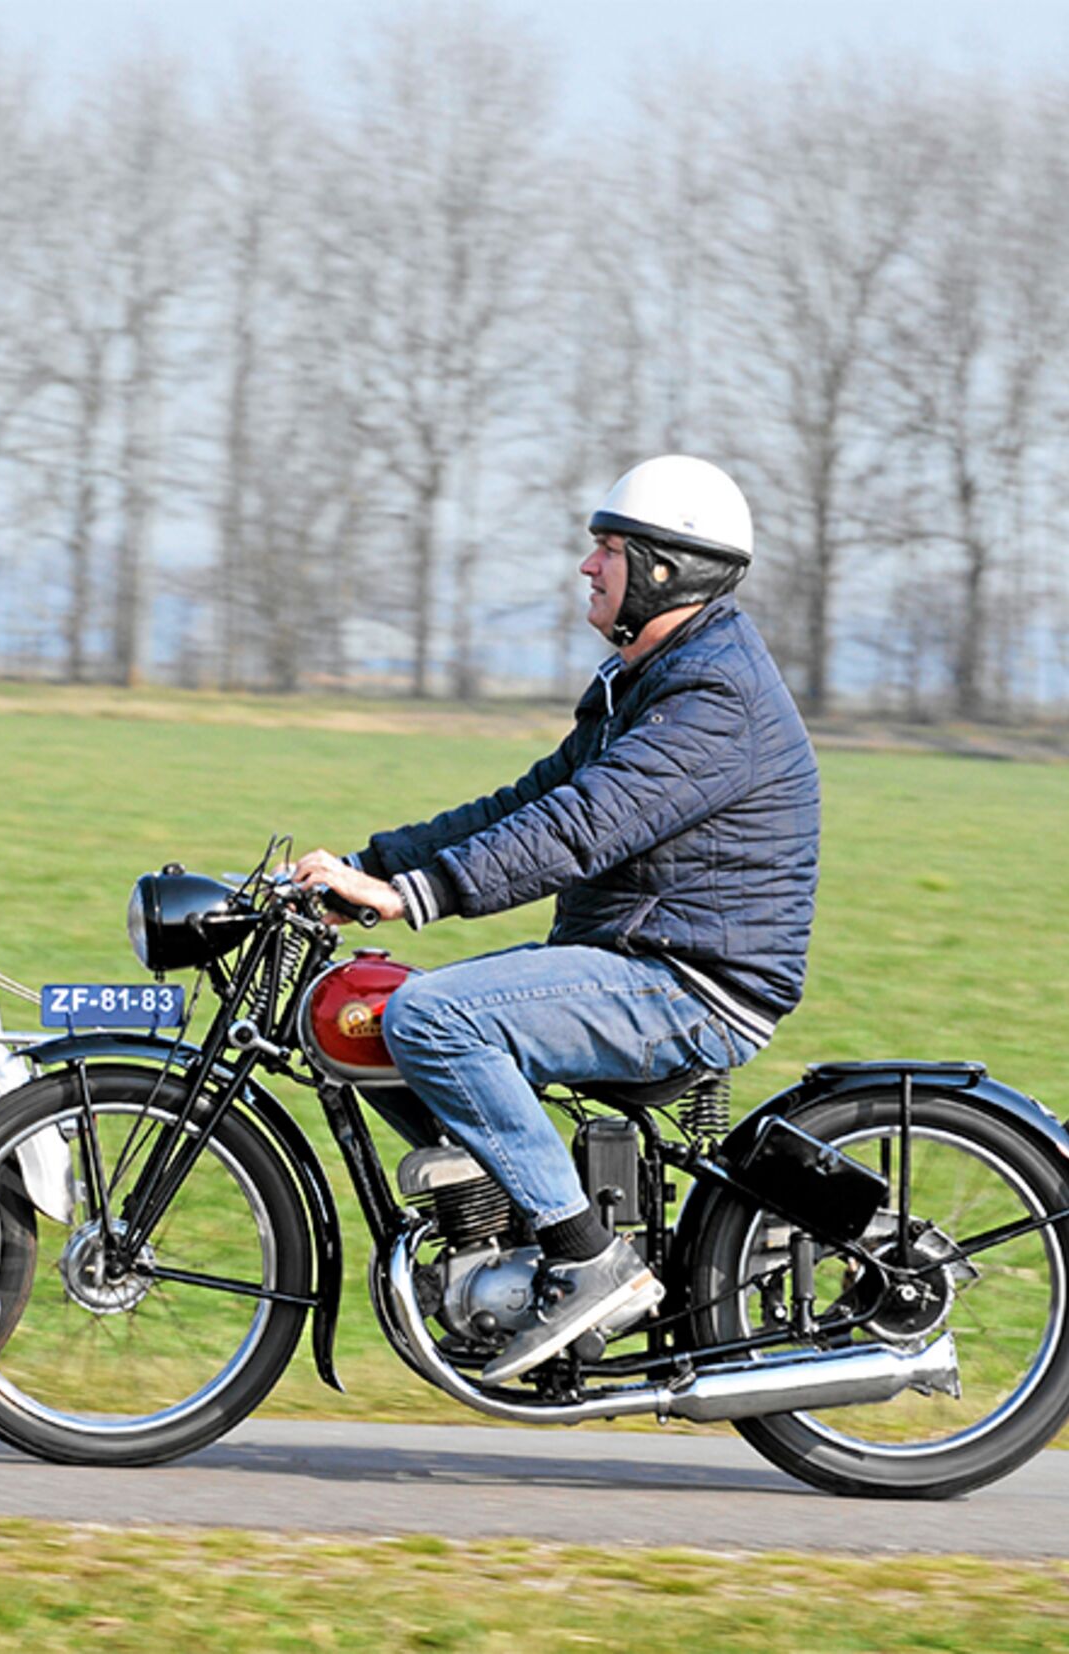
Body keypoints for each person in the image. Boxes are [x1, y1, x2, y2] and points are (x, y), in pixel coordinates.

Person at [292, 455, 819, 1383]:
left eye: (608, 550)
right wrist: (368, 868)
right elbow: (523, 801)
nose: (588, 568)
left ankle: (586, 1259)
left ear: (668, 568)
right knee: (374, 1007)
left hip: (689, 983)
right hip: (633, 956)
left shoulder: (711, 695)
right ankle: (508, 1220)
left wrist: (419, 896)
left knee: (432, 1016)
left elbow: (578, 829)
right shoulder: (642, 682)